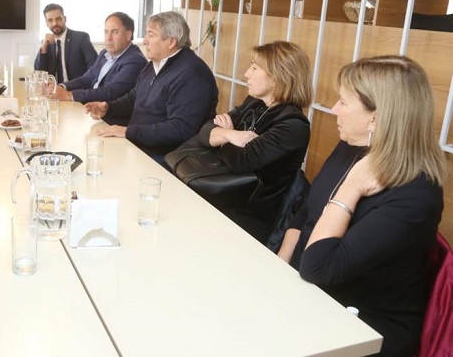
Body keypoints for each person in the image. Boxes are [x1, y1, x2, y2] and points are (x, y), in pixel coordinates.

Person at [277, 56, 447, 356]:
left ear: (376, 119)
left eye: (343, 101)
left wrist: (352, 187)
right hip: (313, 293)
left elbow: (318, 267)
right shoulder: (351, 146)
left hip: (366, 328)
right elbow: (308, 212)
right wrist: (280, 264)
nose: (334, 109)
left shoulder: (415, 194)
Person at [191, 41, 312, 243]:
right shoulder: (255, 103)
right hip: (225, 194)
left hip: (252, 215)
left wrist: (224, 134)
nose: (247, 73)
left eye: (255, 68)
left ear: (277, 78)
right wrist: (230, 136)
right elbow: (204, 132)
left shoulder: (293, 125)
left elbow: (242, 161)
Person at [85, 11, 218, 163]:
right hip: (139, 146)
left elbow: (180, 129)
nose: (145, 41)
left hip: (167, 157)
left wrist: (128, 131)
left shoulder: (192, 74)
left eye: (151, 35)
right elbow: (134, 98)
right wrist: (108, 107)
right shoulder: (154, 64)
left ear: (171, 42)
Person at [49, 11, 147, 104]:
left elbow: (110, 92)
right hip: (90, 108)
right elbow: (87, 79)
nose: (108, 38)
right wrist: (61, 87)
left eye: (114, 32)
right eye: (106, 32)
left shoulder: (135, 60)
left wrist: (69, 96)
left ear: (128, 35)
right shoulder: (104, 53)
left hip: (108, 117)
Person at [34, 3, 97, 83]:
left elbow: (94, 66)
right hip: (54, 91)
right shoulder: (47, 44)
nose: (55, 23)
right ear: (46, 23)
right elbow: (39, 74)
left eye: (58, 19)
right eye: (50, 20)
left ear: (65, 19)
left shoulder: (81, 38)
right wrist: (43, 49)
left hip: (76, 90)